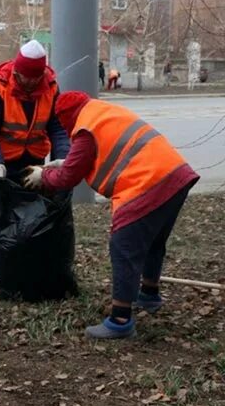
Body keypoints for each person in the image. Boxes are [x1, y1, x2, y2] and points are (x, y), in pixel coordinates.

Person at [22, 91, 200, 339]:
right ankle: (149, 294)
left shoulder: (84, 129)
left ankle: (120, 319)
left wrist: (43, 176)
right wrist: (66, 161)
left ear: (66, 119)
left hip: (147, 183)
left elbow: (68, 178)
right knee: (153, 241)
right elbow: (97, 152)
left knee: (123, 247)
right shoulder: (102, 113)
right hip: (176, 175)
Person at [0, 40, 70, 298]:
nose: (28, 83)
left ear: (41, 74)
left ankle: (25, 267)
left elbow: (58, 128)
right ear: (16, 71)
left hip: (32, 164)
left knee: (33, 218)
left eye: (33, 78)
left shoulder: (51, 88)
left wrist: (60, 159)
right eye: (23, 77)